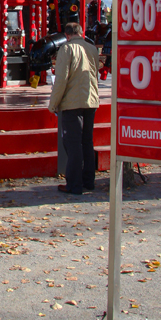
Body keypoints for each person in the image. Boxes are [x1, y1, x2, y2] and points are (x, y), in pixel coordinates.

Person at [49, 22, 100, 195]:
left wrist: (53, 103)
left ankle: (74, 184)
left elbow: (61, 79)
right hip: (90, 100)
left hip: (72, 102)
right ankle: (89, 181)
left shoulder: (67, 49)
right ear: (80, 32)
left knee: (73, 144)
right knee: (87, 142)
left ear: (67, 35)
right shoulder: (92, 48)